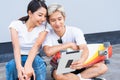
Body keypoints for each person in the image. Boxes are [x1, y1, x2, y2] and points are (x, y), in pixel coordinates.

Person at [43, 3, 108, 80]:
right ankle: (87, 78)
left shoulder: (75, 31)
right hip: (61, 69)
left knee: (102, 67)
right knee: (57, 76)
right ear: (49, 21)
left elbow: (84, 48)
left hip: (79, 65)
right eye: (53, 20)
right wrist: (69, 44)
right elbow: (48, 52)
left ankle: (78, 78)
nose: (57, 23)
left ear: (64, 18)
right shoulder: (47, 34)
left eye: (59, 19)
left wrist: (82, 60)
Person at [6, 0, 48, 80]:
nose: (43, 19)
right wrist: (19, 69)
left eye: (45, 16)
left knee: (38, 62)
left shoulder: (43, 29)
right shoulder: (15, 25)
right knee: (11, 66)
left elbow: (35, 47)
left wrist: (28, 65)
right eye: (40, 15)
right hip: (19, 56)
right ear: (30, 13)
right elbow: (16, 48)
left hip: (35, 57)